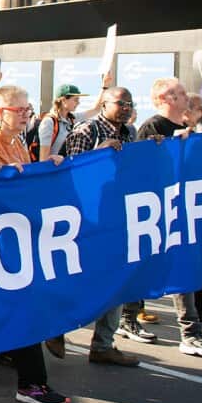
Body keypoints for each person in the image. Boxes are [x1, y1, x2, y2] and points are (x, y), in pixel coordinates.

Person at [0, 85, 71, 403]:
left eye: (27, 109)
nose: (26, 115)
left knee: (3, 305)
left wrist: (49, 167)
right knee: (21, 305)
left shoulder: (19, 139)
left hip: (11, 240)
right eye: (18, 110)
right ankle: (31, 383)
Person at [134, 78, 202, 355]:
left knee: (183, 267)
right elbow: (142, 169)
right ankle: (133, 320)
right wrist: (171, 148)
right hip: (159, 212)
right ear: (163, 99)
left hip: (184, 210)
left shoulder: (187, 128)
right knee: (147, 267)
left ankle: (191, 332)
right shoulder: (153, 126)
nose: (185, 97)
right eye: (177, 93)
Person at [60, 87, 145, 367]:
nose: (126, 107)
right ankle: (56, 326)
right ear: (105, 104)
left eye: (129, 103)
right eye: (120, 103)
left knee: (117, 278)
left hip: (117, 216)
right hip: (88, 218)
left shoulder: (130, 133)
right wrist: (99, 152)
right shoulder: (87, 130)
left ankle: (103, 344)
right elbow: (70, 171)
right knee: (80, 277)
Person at [34, 84, 86, 161]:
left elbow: (95, 110)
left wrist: (104, 87)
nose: (78, 103)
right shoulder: (49, 122)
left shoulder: (71, 119)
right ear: (64, 100)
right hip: (52, 171)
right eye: (75, 99)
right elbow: (43, 160)